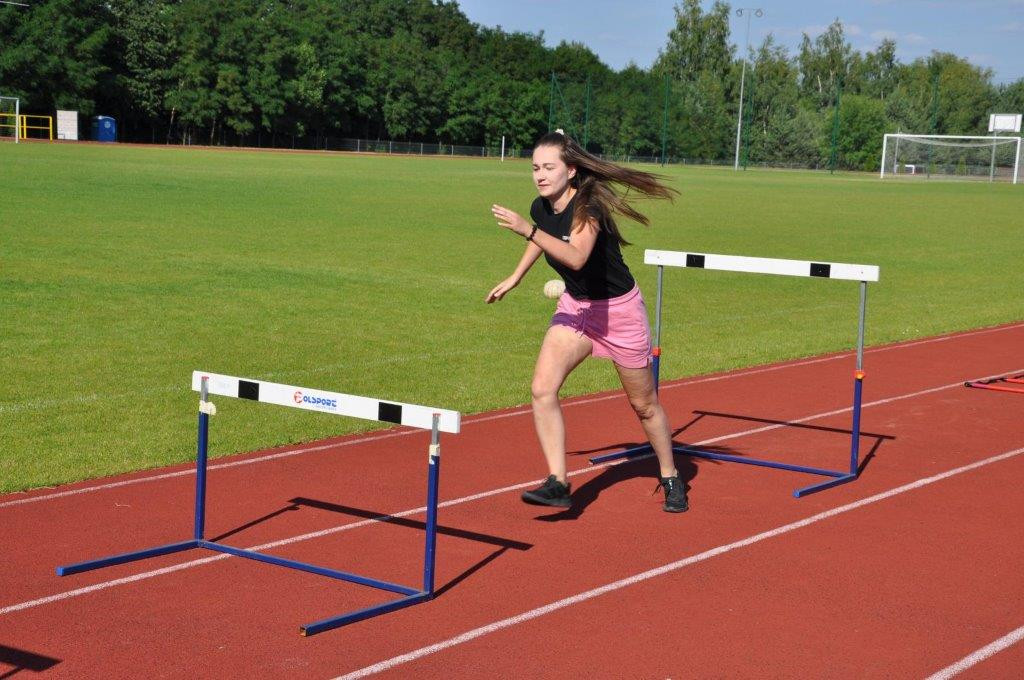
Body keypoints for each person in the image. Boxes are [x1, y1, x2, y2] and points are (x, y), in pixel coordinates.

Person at [486, 131, 687, 513]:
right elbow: (542, 237)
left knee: (644, 405)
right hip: (577, 308)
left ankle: (671, 475)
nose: (540, 175)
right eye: (535, 168)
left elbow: (576, 257)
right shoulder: (541, 207)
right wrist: (516, 277)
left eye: (549, 167)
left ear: (572, 170)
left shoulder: (589, 207)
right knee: (542, 389)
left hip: (619, 313)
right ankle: (558, 483)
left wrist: (527, 229)